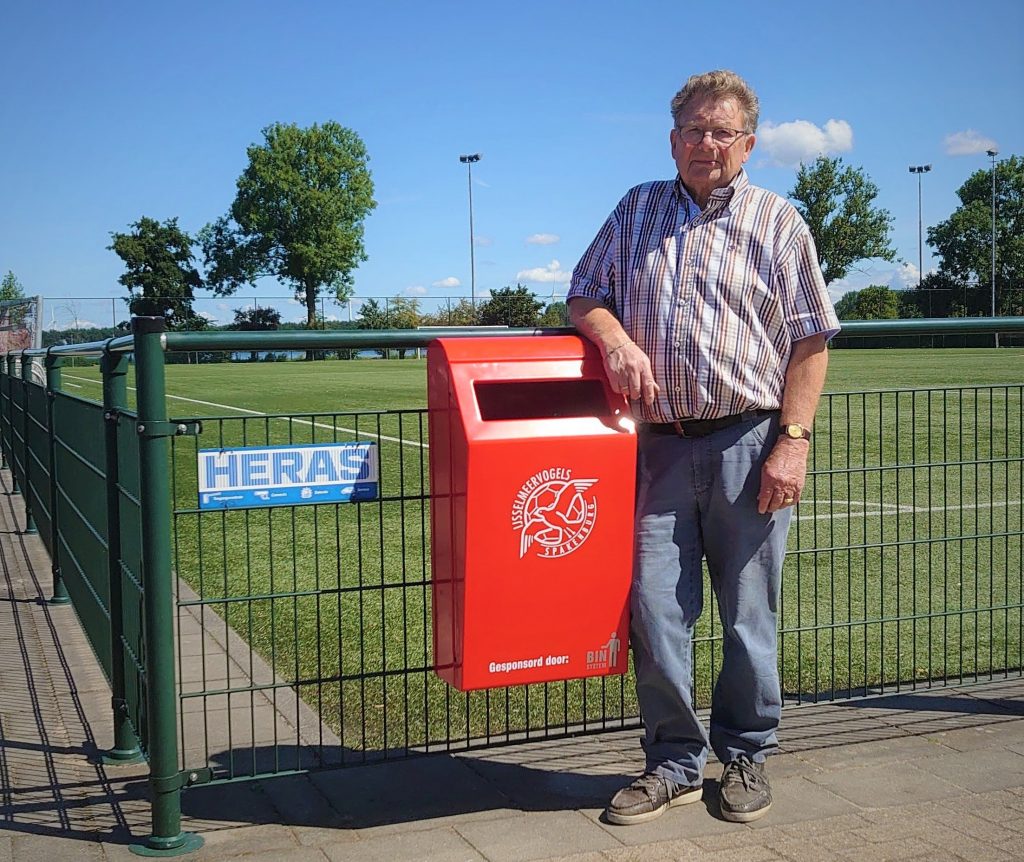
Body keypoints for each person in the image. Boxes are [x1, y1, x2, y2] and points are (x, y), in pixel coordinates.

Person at [568, 69, 839, 825]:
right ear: (672, 138)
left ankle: (748, 753)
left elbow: (812, 339)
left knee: (748, 613)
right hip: (657, 446)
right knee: (655, 610)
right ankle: (674, 763)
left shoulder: (778, 220)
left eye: (722, 131)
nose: (705, 143)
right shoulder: (636, 209)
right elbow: (583, 291)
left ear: (748, 144)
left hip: (750, 441)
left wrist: (793, 441)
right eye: (692, 128)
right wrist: (615, 340)